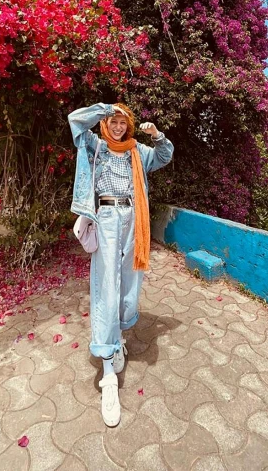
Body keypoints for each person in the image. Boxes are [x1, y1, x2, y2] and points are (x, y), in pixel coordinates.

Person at [68, 102, 173, 426]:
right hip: (105, 218)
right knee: (107, 288)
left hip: (133, 219)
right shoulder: (94, 145)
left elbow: (165, 156)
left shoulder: (138, 152)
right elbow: (75, 121)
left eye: (121, 122)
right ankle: (108, 370)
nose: (117, 126)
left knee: (130, 284)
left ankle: (119, 339)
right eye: (112, 121)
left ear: (128, 126)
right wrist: (103, 107)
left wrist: (158, 136)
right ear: (106, 123)